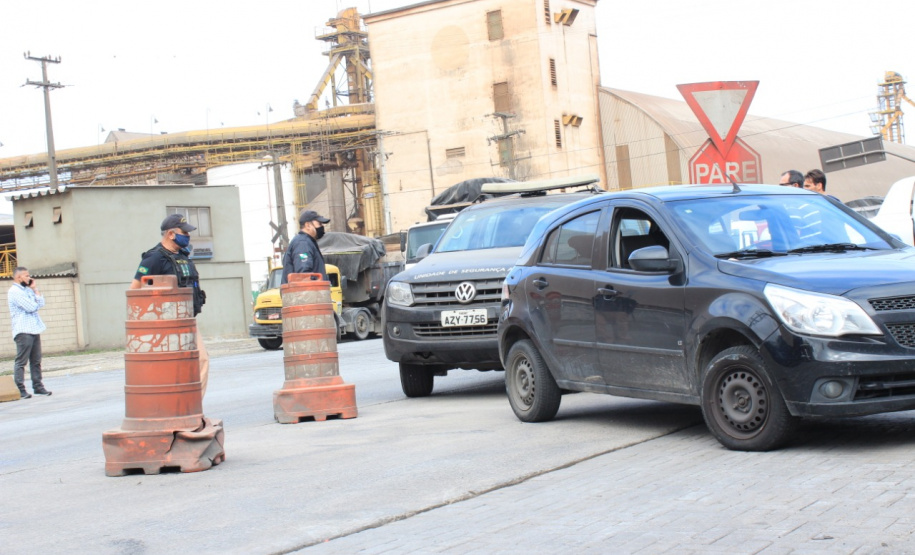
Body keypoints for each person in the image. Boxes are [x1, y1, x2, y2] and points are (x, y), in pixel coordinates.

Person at [130, 214, 209, 395]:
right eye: (184, 232)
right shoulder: (154, 258)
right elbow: (135, 289)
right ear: (171, 234)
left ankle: (193, 404)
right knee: (175, 367)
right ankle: (177, 404)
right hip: (165, 324)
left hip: (187, 320)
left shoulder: (183, 256)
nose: (188, 236)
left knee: (201, 360)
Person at [8, 267, 51, 398]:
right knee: (21, 361)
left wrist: (35, 289)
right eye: (26, 276)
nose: (29, 278)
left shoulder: (27, 290)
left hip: (34, 328)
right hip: (23, 330)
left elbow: (41, 303)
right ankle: (20, 389)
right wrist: (35, 301)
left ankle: (38, 387)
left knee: (36, 360)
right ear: (18, 277)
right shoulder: (14, 291)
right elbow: (31, 307)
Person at [282, 209, 330, 284]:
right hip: (306, 291)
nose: (322, 227)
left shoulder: (307, 242)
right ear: (308, 225)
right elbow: (304, 274)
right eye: (319, 224)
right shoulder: (303, 243)